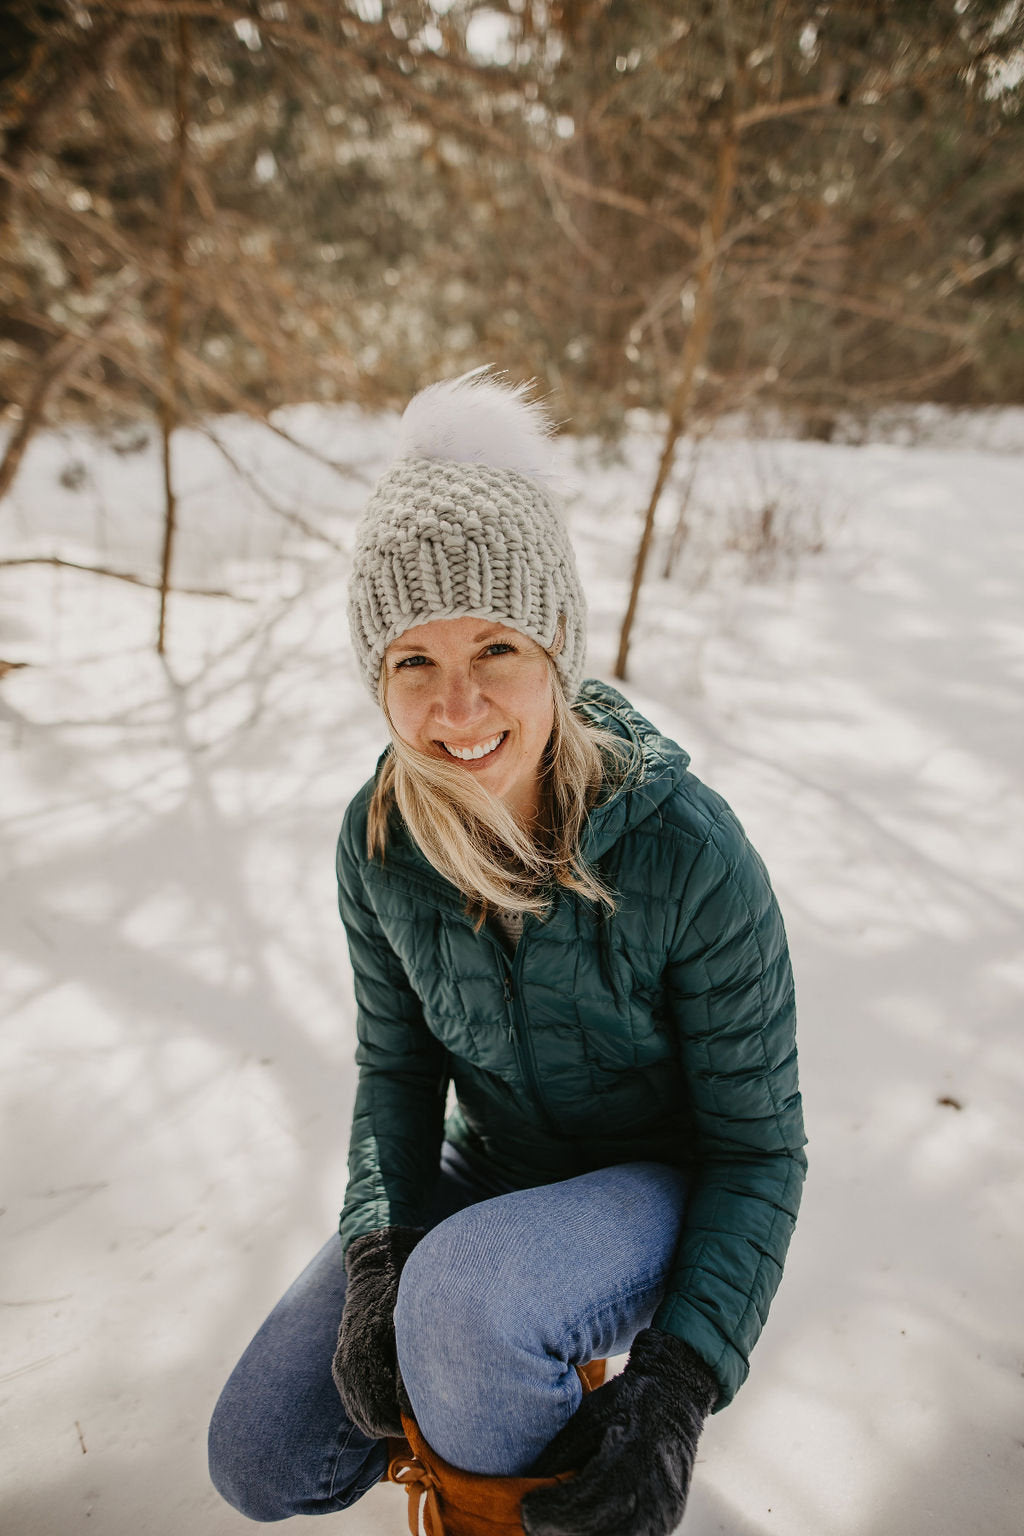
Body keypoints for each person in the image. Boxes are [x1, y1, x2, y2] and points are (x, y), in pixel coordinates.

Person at [208, 370, 806, 1536]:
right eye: (414, 662)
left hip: (664, 1183)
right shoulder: (380, 839)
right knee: (263, 1456)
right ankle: (510, 1414)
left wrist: (675, 1387)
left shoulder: (687, 850)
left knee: (466, 1305)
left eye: (495, 647)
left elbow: (759, 1150)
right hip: (493, 1162)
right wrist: (377, 1253)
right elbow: (398, 1071)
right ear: (376, 679)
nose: (459, 706)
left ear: (557, 648)